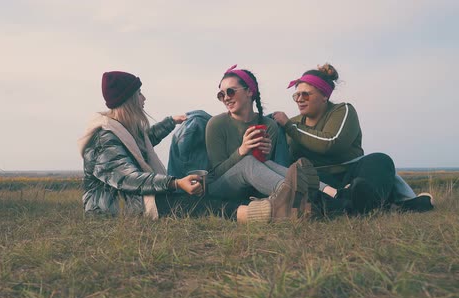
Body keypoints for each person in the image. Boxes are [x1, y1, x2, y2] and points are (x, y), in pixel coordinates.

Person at [78, 71, 306, 223]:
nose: (144, 98)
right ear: (128, 99)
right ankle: (266, 213)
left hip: (131, 198)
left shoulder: (123, 130)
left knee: (191, 200)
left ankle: (296, 200)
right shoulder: (102, 139)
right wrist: (174, 182)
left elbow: (141, 143)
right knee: (185, 204)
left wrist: (169, 123)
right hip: (110, 208)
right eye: (139, 94)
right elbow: (128, 178)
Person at [272, 63, 433, 213]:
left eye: (305, 95)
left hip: (351, 174)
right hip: (320, 180)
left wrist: (290, 127)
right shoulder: (292, 124)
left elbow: (331, 143)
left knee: (380, 160)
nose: (299, 99)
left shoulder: (343, 111)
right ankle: (374, 205)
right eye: (296, 95)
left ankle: (346, 202)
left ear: (324, 96)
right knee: (304, 178)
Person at [206, 64, 326, 219]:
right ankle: (292, 194)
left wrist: (264, 155)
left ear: (249, 91)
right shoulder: (216, 124)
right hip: (221, 187)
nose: (226, 98)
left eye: (230, 91)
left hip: (254, 187)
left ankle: (332, 194)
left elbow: (262, 171)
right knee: (248, 161)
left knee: (268, 164)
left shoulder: (269, 126)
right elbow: (216, 173)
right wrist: (242, 151)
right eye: (221, 95)